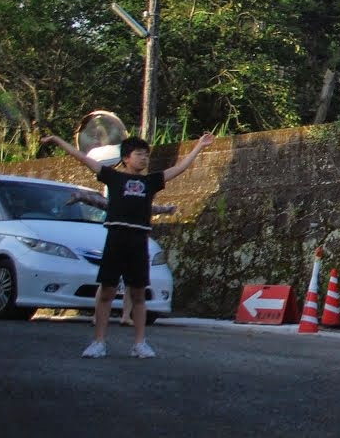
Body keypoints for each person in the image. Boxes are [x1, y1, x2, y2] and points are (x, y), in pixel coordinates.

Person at [43, 131, 214, 359]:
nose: (144, 159)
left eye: (146, 155)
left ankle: (139, 343)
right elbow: (81, 158)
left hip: (138, 240)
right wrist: (56, 140)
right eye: (139, 154)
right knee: (107, 291)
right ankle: (98, 341)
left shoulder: (150, 181)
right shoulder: (113, 177)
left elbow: (179, 168)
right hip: (116, 237)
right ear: (126, 158)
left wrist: (199, 146)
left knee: (139, 294)